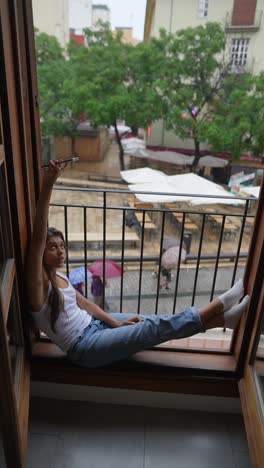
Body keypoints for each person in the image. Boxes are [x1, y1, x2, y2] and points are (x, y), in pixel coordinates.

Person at [26, 161, 249, 369]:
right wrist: (48, 184)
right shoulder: (37, 286)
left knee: (151, 320)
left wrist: (114, 323)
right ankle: (219, 305)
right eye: (52, 247)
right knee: (151, 329)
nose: (60, 251)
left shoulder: (61, 277)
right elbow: (37, 236)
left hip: (96, 325)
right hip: (85, 346)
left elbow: (87, 305)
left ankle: (224, 319)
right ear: (41, 253)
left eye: (62, 246)